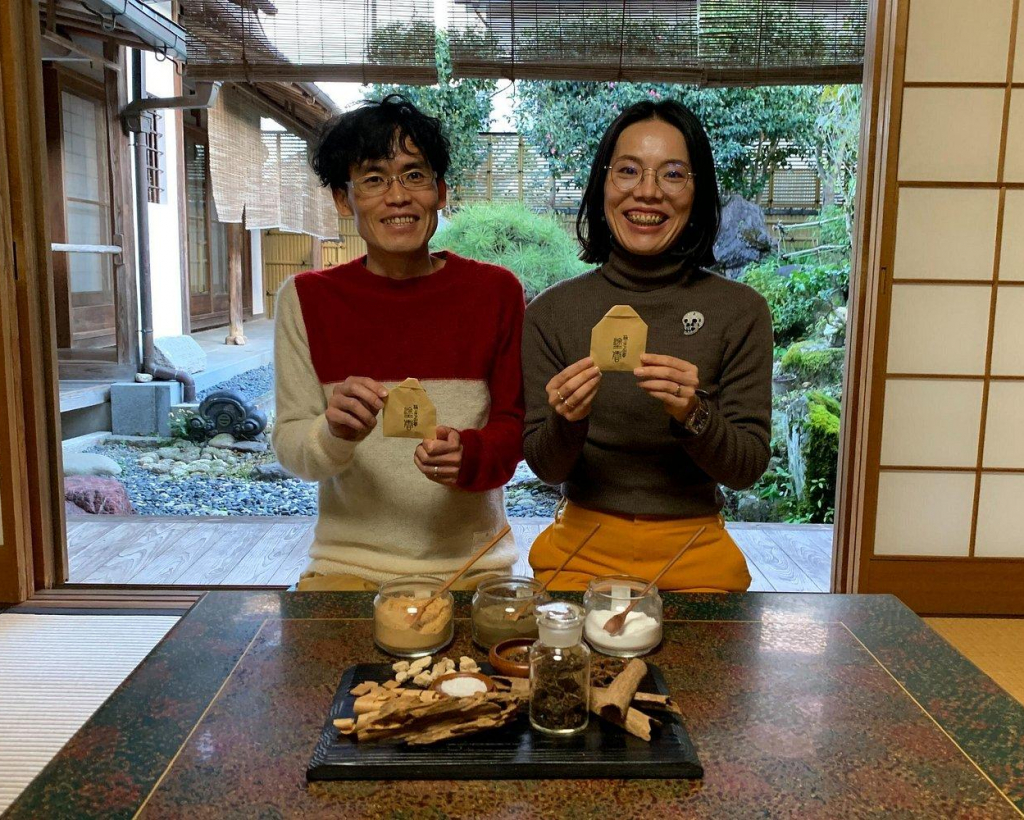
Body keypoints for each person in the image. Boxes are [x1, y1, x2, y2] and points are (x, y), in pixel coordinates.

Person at [273, 95, 525, 590]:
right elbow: (289, 444)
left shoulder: (495, 292)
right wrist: (332, 432)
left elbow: (516, 425)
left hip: (473, 568)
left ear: (441, 191)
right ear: (344, 200)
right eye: (373, 179)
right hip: (348, 565)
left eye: (415, 175)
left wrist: (470, 455)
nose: (398, 197)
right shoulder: (306, 298)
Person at [522, 99, 773, 592]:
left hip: (694, 544)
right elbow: (545, 464)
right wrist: (567, 420)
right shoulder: (552, 313)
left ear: (697, 192)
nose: (648, 192)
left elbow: (747, 467)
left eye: (673, 174)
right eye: (629, 171)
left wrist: (694, 414)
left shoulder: (740, 311)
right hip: (579, 544)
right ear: (603, 184)